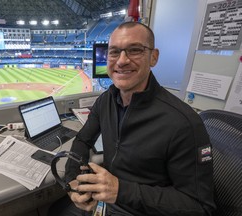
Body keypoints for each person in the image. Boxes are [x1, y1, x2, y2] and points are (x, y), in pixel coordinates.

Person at [49, 21, 216, 216]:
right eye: (114, 52)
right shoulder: (106, 100)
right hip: (106, 203)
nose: (121, 61)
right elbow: (82, 141)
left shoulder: (185, 123)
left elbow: (201, 208)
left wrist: (120, 191)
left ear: (153, 57)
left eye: (134, 50)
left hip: (141, 209)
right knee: (55, 210)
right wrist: (74, 182)